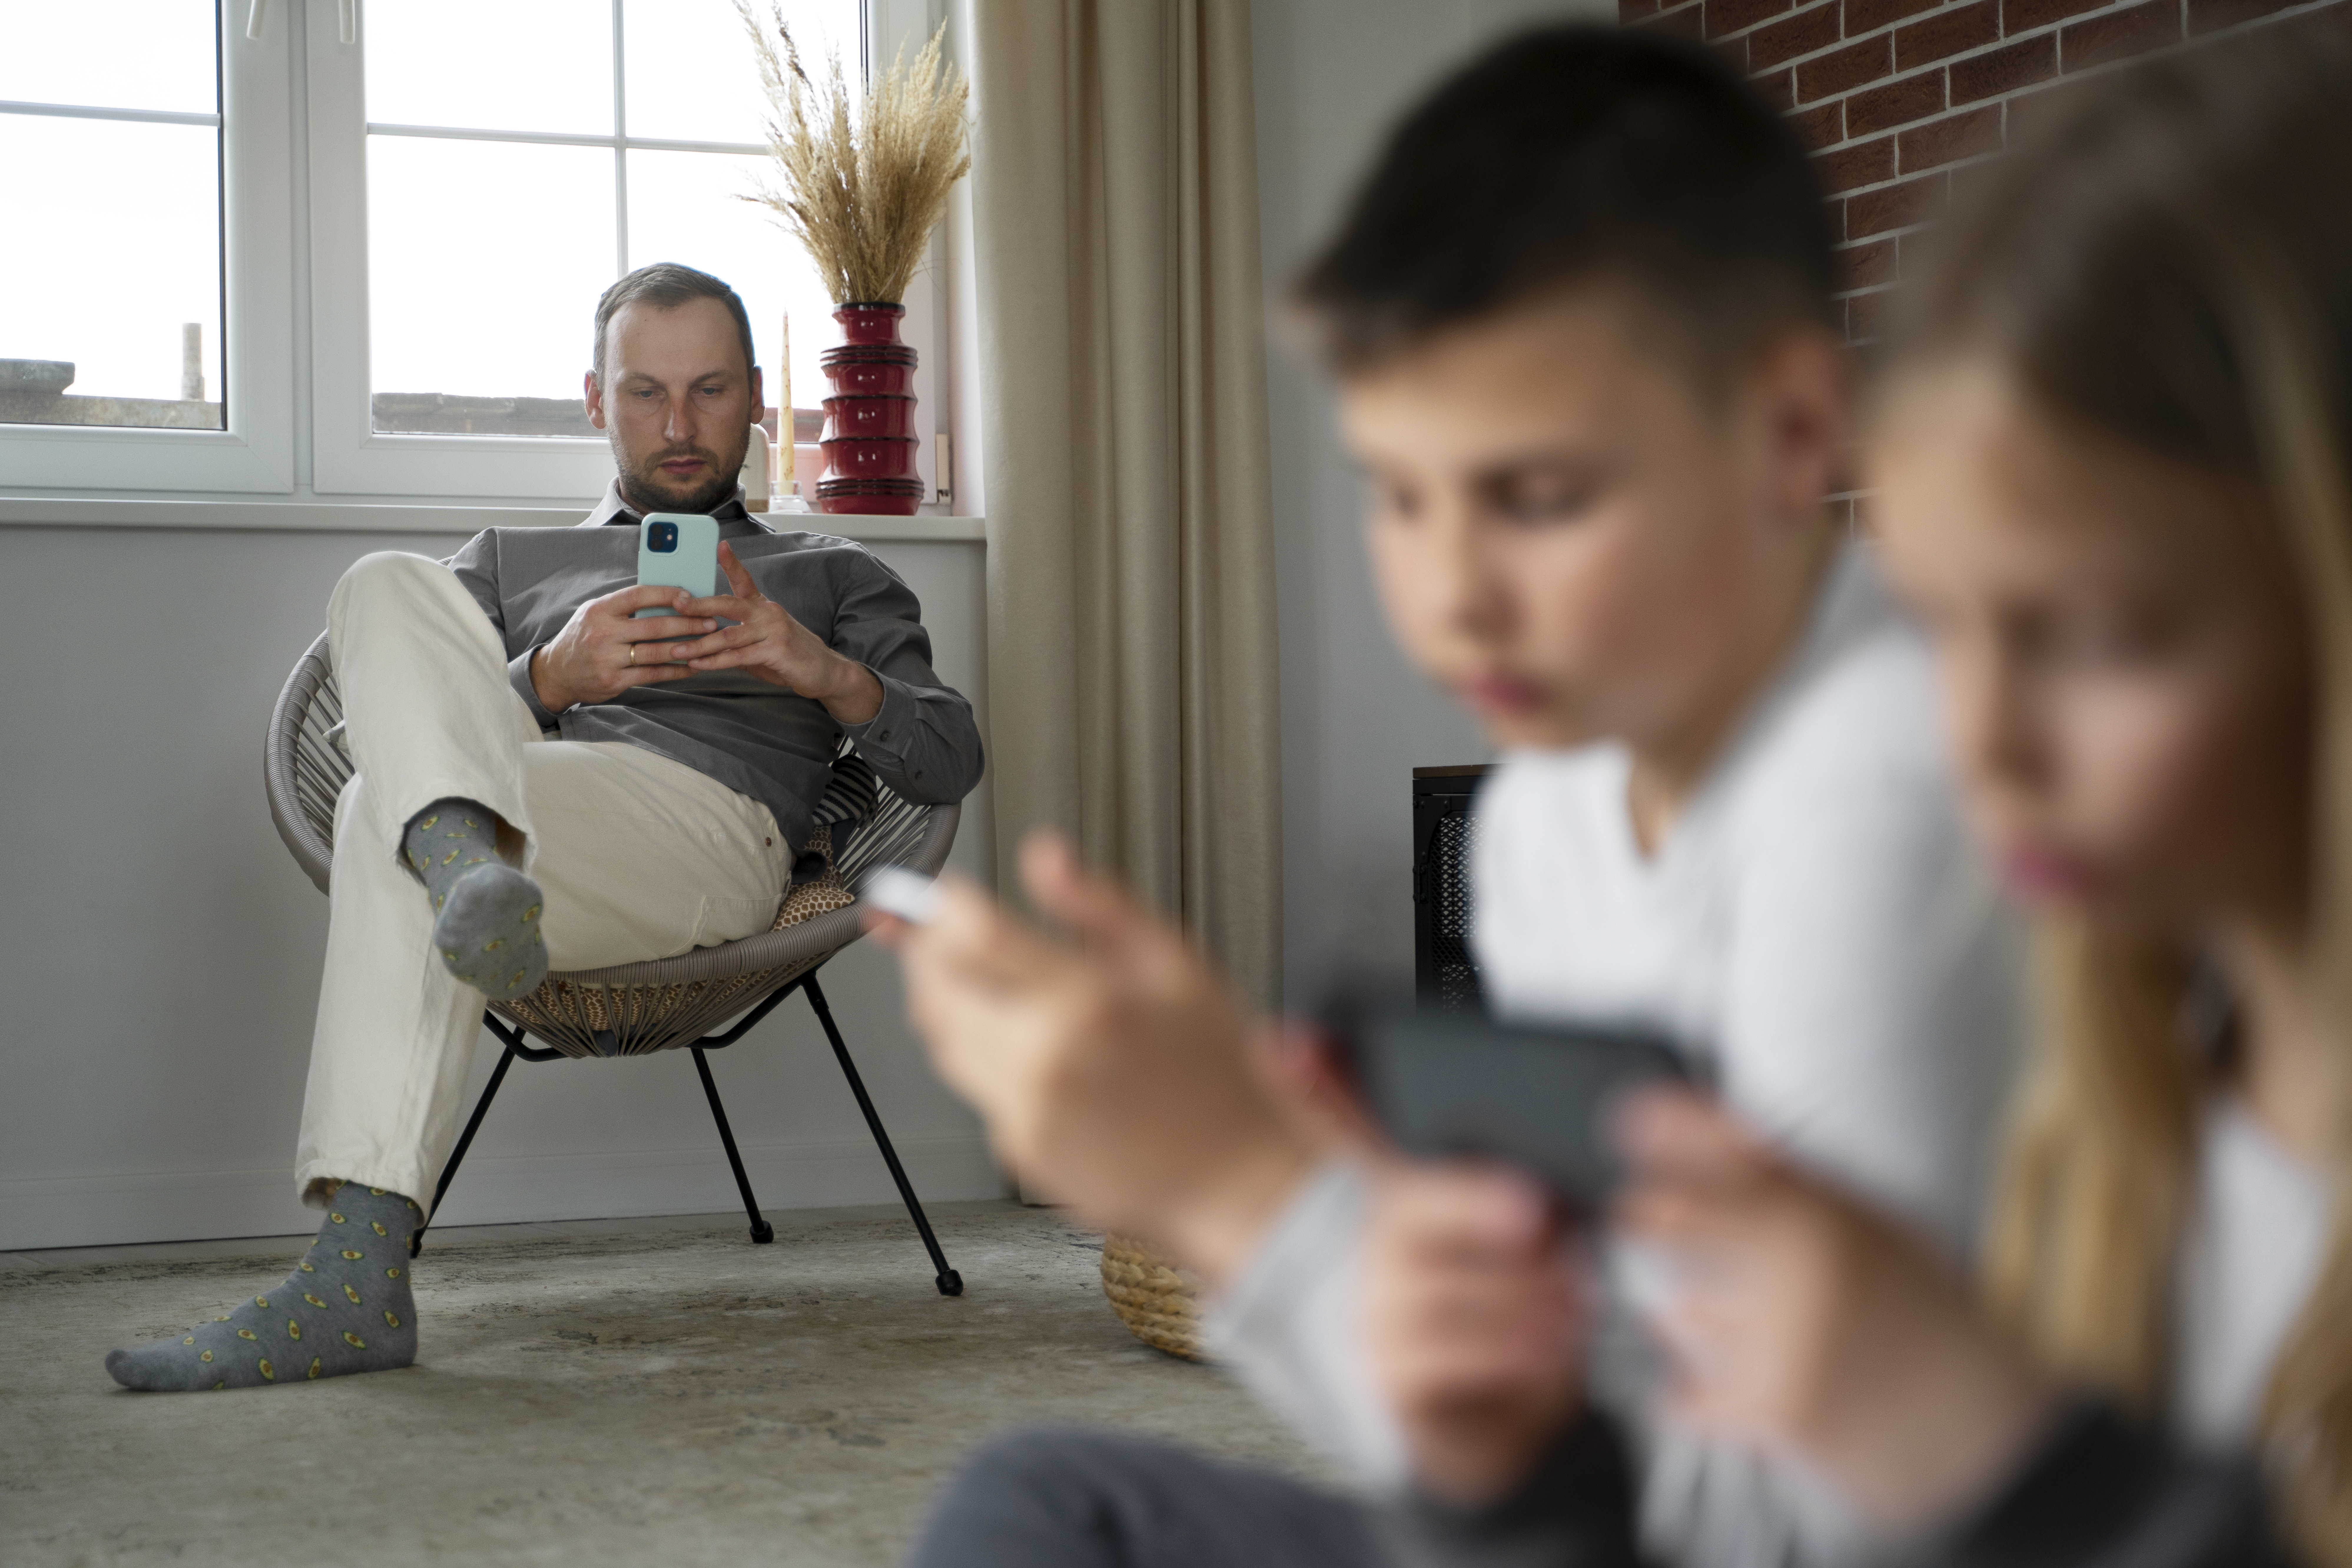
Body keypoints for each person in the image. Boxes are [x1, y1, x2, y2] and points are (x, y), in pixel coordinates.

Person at [878, 27, 2021, 1567]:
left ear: (1793, 434)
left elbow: (1815, 1522)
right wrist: (1378, 1234)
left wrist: (1248, 1201)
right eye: (1399, 495)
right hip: (1605, 1502)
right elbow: (1536, 1426)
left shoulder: (1890, 801)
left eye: (1535, 498)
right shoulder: (1556, 802)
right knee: (1044, 1498)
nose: (1450, 597)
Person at [1387, 27, 2352, 1568]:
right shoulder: (2122, 1135)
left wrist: (1995, 1456)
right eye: (1939, 625)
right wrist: (1523, 1476)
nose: (1981, 743)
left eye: (2099, 636)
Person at [104, 262, 984, 1393]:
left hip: (704, 831)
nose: (679, 427)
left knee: (390, 817)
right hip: (524, 822)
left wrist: (818, 669)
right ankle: (462, 882)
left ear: (758, 399)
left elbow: (948, 758)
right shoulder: (509, 562)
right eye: (645, 393)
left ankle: (354, 1275)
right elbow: (379, 736)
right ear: (596, 400)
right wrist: (548, 679)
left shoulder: (832, 572)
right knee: (382, 588)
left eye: (710, 391)